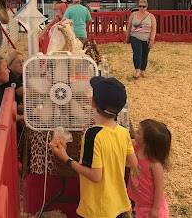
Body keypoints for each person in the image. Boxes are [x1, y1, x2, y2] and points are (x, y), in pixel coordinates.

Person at [50, 77, 138, 218]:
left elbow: (95, 176)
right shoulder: (123, 131)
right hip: (120, 205)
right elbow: (133, 163)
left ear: (92, 102)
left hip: (96, 210)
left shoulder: (92, 135)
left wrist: (66, 158)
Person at [128, 119, 171, 218]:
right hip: (140, 203)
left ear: (147, 141)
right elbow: (124, 142)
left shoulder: (155, 164)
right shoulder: (138, 147)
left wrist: (155, 209)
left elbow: (159, 188)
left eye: (138, 132)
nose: (134, 133)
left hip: (151, 208)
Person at [125, 0, 157, 80]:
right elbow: (128, 27)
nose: (142, 8)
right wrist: (127, 37)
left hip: (146, 38)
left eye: (144, 6)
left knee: (145, 55)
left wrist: (152, 40)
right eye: (140, 6)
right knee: (137, 53)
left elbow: (153, 29)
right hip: (135, 36)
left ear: (147, 6)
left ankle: (143, 70)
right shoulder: (133, 15)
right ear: (138, 6)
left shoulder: (151, 16)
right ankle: (137, 71)